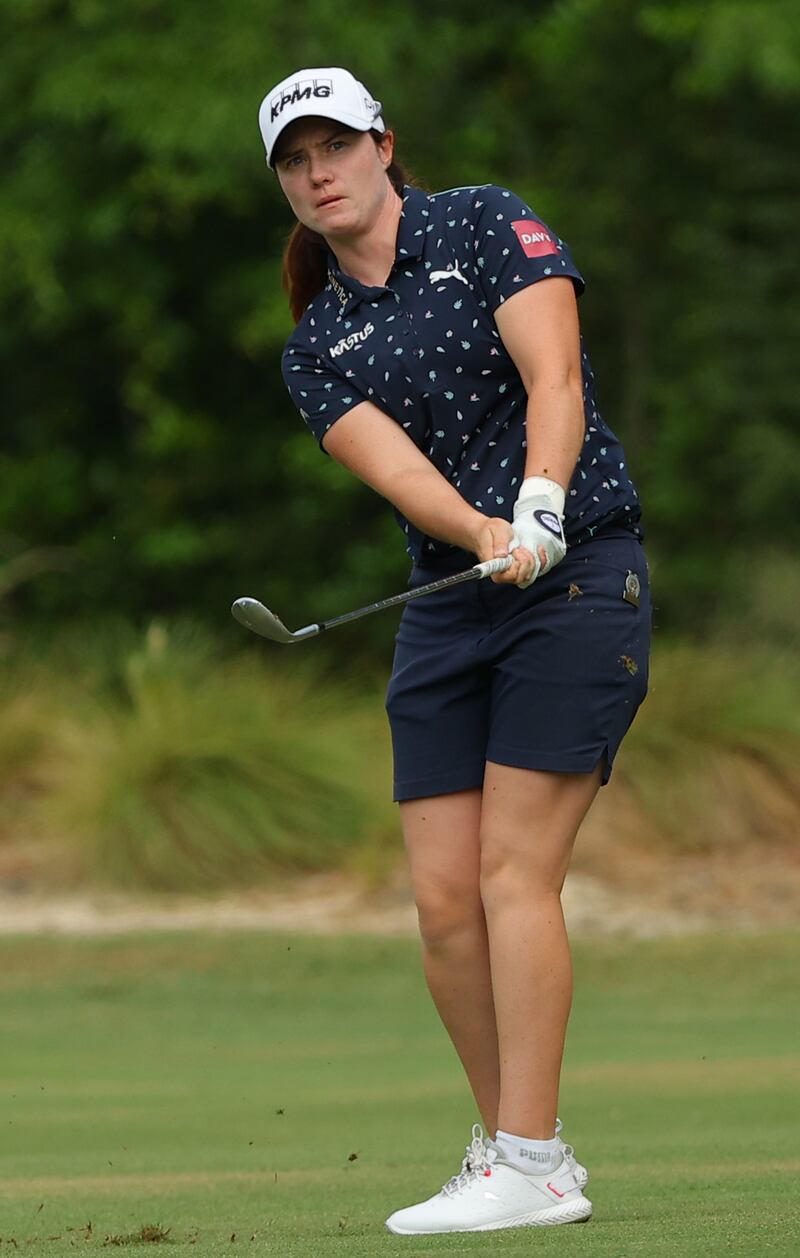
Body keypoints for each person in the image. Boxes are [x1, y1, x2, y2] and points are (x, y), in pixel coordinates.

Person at [257, 66, 650, 1235]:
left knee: (509, 874)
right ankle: (517, 1155)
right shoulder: (316, 340)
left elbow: (555, 373)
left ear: (382, 144)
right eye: (293, 158)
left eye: (334, 144)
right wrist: (483, 532)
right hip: (450, 596)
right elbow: (397, 472)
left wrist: (536, 504)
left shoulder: (482, 221)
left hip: (576, 576)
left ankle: (525, 1150)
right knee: (440, 901)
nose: (317, 171)